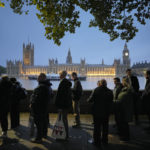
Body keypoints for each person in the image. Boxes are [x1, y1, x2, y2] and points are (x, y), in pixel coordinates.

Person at [87, 79, 113, 147]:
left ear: (100, 83)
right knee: (105, 127)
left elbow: (90, 100)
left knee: (97, 127)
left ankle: (96, 141)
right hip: (106, 112)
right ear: (106, 84)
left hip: (97, 112)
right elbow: (111, 102)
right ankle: (105, 140)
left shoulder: (96, 90)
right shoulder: (110, 91)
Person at [30, 73, 51, 143]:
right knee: (44, 122)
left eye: (38, 77)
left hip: (39, 108)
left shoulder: (41, 87)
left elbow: (36, 99)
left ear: (42, 78)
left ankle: (39, 138)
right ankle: (44, 134)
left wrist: (32, 104)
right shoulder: (48, 86)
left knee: (38, 123)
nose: (37, 78)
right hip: (45, 107)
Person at [55, 70, 72, 140]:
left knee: (62, 120)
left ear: (62, 75)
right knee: (64, 119)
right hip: (66, 104)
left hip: (63, 105)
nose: (59, 76)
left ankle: (63, 135)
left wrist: (60, 106)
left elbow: (62, 96)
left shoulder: (63, 83)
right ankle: (63, 135)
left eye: (60, 74)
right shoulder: (66, 83)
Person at [116, 77, 133, 142]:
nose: (122, 83)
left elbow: (122, 99)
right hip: (125, 108)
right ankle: (125, 136)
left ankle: (126, 137)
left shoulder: (127, 91)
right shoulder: (127, 89)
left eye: (123, 82)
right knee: (125, 124)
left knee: (124, 124)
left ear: (125, 82)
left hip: (124, 109)